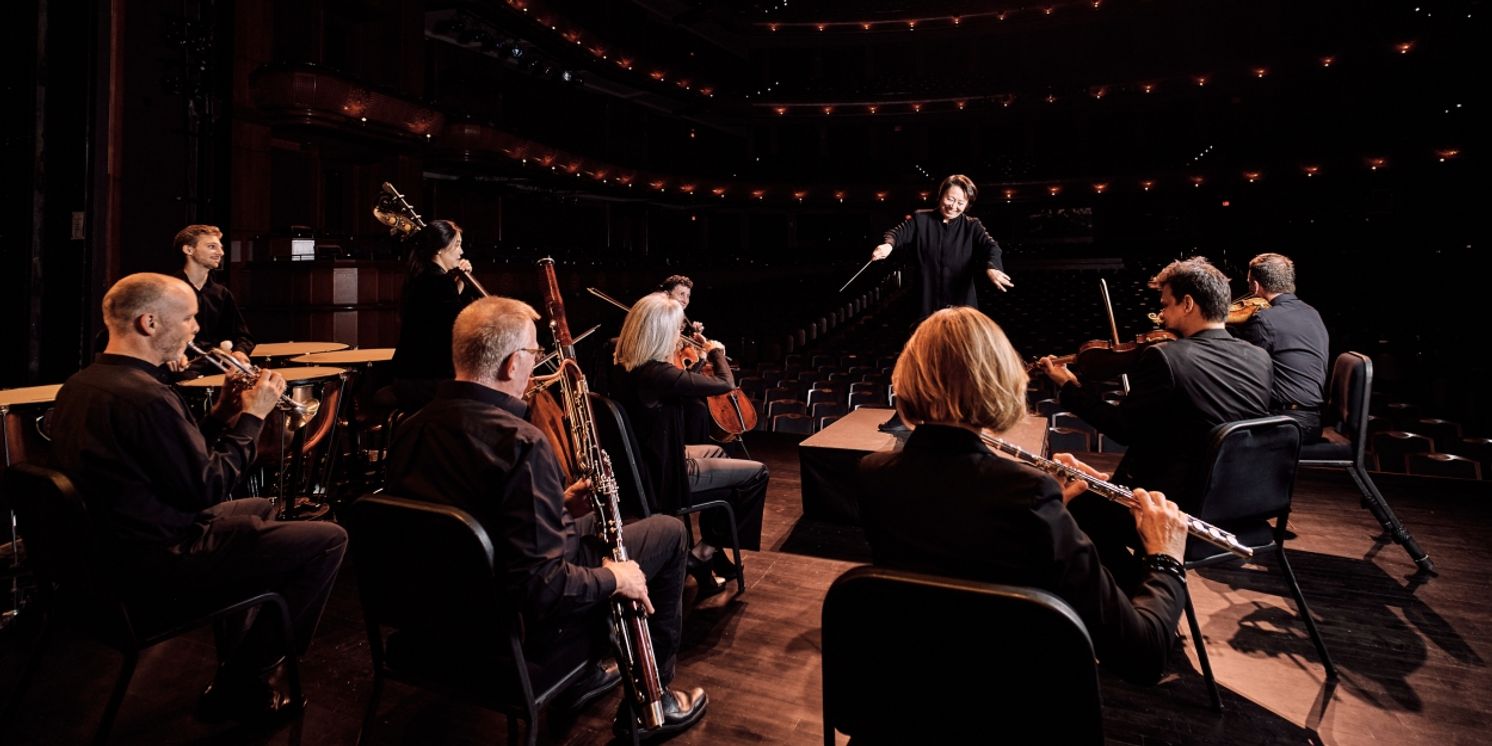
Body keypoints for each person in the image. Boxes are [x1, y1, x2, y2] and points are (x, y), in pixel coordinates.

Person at [384, 296, 709, 740]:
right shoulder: (521, 442)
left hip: (433, 620)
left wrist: (556, 505)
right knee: (669, 534)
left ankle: (584, 677)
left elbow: (469, 523)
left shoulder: (408, 428)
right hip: (513, 636)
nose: (538, 365)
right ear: (512, 363)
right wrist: (616, 578)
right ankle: (653, 703)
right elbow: (542, 587)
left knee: (592, 526)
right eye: (535, 355)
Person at [49, 273, 348, 723]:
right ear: (149, 322)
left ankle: (241, 646)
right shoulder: (147, 397)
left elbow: (170, 466)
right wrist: (253, 417)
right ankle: (252, 671)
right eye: (188, 318)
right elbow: (208, 485)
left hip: (109, 552)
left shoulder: (83, 384)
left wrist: (220, 416)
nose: (196, 329)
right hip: (156, 563)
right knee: (329, 540)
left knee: (262, 507)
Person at [858, 307, 1189, 684]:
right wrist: (1165, 557)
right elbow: (1141, 654)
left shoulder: (873, 475)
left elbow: (955, 563)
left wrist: (1050, 509)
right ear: (998, 380)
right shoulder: (1027, 493)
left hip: (909, 686)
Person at [1037, 258, 1271, 581]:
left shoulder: (1166, 358)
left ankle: (1142, 601)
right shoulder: (1259, 358)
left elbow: (1121, 428)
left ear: (1188, 303)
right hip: (1241, 509)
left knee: (1069, 504)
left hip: (1176, 512)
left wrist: (1070, 388)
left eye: (1166, 305)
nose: (1161, 316)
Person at [610, 293, 769, 594]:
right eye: (673, 332)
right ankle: (703, 552)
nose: (676, 339)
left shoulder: (623, 366)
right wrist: (716, 352)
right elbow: (726, 385)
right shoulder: (659, 373)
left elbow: (682, 383)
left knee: (720, 451)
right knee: (757, 473)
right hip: (667, 473)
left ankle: (712, 561)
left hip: (648, 463)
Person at [869, 174, 1014, 319]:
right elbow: (897, 233)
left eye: (960, 203)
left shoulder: (972, 226)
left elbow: (992, 247)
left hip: (961, 306)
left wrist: (992, 267)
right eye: (950, 199)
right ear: (941, 195)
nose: (953, 206)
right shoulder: (920, 219)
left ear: (967, 204)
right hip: (925, 304)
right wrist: (888, 245)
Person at [1232, 253, 1330, 441]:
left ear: (1256, 285)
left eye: (1249, 283)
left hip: (1284, 423)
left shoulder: (1263, 320)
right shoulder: (1312, 313)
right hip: (1312, 421)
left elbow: (1244, 375)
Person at [390, 219, 483, 411]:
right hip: (424, 381)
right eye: (457, 245)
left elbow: (441, 310)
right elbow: (459, 324)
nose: (461, 252)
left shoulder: (424, 277)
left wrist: (460, 282)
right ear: (440, 249)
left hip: (409, 375)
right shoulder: (437, 281)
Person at [658, 274, 712, 444]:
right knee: (698, 409)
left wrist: (693, 339)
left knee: (702, 405)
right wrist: (701, 356)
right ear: (667, 294)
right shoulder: (661, 319)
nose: (685, 300)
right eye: (681, 294)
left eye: (688, 295)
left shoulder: (680, 322)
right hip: (664, 381)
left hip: (677, 377)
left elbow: (683, 360)